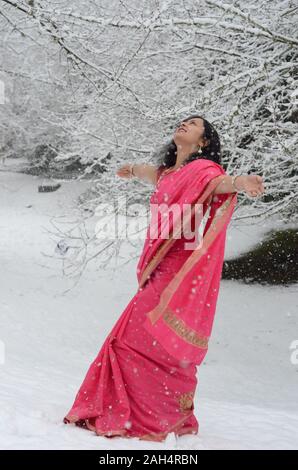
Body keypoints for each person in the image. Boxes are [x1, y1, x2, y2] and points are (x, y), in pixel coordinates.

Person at [63, 115, 264, 441]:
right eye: (184, 121)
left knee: (132, 341)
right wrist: (131, 169)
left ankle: (140, 418)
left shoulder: (204, 172)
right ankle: (158, 415)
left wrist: (242, 182)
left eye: (194, 124)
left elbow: (221, 184)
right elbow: (152, 174)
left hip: (177, 269)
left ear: (204, 141)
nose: (185, 124)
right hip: (156, 270)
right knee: (143, 342)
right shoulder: (168, 174)